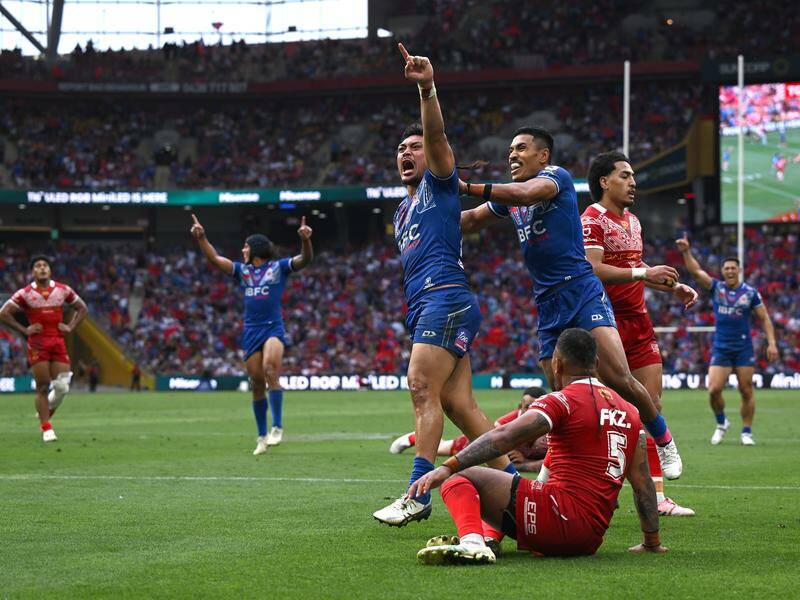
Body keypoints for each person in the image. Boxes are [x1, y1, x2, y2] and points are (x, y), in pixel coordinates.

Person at [459, 127, 682, 479]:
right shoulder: (509, 198)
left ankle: (665, 441)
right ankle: (566, 469)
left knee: (620, 377)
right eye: (510, 150)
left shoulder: (554, 177)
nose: (512, 155)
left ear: (542, 155)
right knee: (562, 394)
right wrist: (431, 219)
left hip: (581, 289)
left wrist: (467, 187)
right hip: (547, 303)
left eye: (520, 148)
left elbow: (529, 193)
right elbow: (470, 221)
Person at [372, 43, 515, 528]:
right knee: (460, 405)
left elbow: (434, 134)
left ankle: (416, 492)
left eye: (412, 148)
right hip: (429, 303)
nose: (405, 154)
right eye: (399, 150)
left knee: (419, 387)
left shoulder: (437, 179)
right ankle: (520, 488)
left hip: (444, 297)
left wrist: (426, 88)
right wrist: (498, 207)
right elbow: (463, 224)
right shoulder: (404, 209)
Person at [409, 328, 666, 565]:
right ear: (596, 364)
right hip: (589, 539)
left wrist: (448, 466)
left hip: (555, 518)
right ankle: (488, 540)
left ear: (557, 364)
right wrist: (651, 542)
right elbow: (643, 483)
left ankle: (472, 543)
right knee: (511, 493)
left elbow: (503, 437)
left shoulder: (562, 400)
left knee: (460, 479)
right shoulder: (630, 412)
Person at [582, 151, 698, 517]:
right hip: (605, 324)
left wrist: (670, 287)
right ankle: (591, 487)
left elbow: (636, 267)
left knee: (651, 405)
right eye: (625, 175)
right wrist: (641, 275)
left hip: (640, 323)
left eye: (633, 176)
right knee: (606, 413)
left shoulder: (633, 221)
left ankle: (659, 497)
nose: (633, 182)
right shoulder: (591, 219)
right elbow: (594, 268)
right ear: (604, 181)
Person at [190, 214, 313, 455]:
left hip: (273, 327)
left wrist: (306, 241)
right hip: (251, 331)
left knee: (270, 369)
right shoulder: (242, 272)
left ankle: (277, 426)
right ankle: (262, 436)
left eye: (246, 246)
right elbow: (214, 259)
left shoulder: (278, 268)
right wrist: (202, 238)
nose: (242, 249)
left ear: (255, 249)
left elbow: (304, 260)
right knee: (256, 383)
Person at [675, 235, 779, 445]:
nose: (730, 271)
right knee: (713, 389)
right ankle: (722, 423)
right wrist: (686, 251)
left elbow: (764, 318)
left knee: (746, 389)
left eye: (733, 268)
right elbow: (696, 271)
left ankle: (746, 432)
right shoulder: (717, 288)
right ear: (723, 271)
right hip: (721, 347)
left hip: (743, 348)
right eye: (727, 268)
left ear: (739, 270)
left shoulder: (750, 294)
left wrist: (772, 343)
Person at [0, 254, 88, 442]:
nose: (42, 268)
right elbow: (3, 313)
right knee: (42, 386)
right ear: (32, 272)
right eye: (38, 266)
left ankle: (44, 412)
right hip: (38, 344)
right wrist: (25, 329)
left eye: (45, 265)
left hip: (57, 341)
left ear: (50, 270)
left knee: (63, 386)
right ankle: (46, 428)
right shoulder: (24, 294)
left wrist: (70, 326)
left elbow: (82, 308)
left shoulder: (63, 290)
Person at [389, 387, 548, 472]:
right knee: (445, 449)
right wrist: (510, 455)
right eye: (527, 406)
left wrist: (524, 461)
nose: (530, 410)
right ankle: (414, 438)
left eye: (535, 406)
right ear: (520, 407)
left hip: (517, 453)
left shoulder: (548, 426)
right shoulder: (505, 423)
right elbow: (492, 444)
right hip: (484, 441)